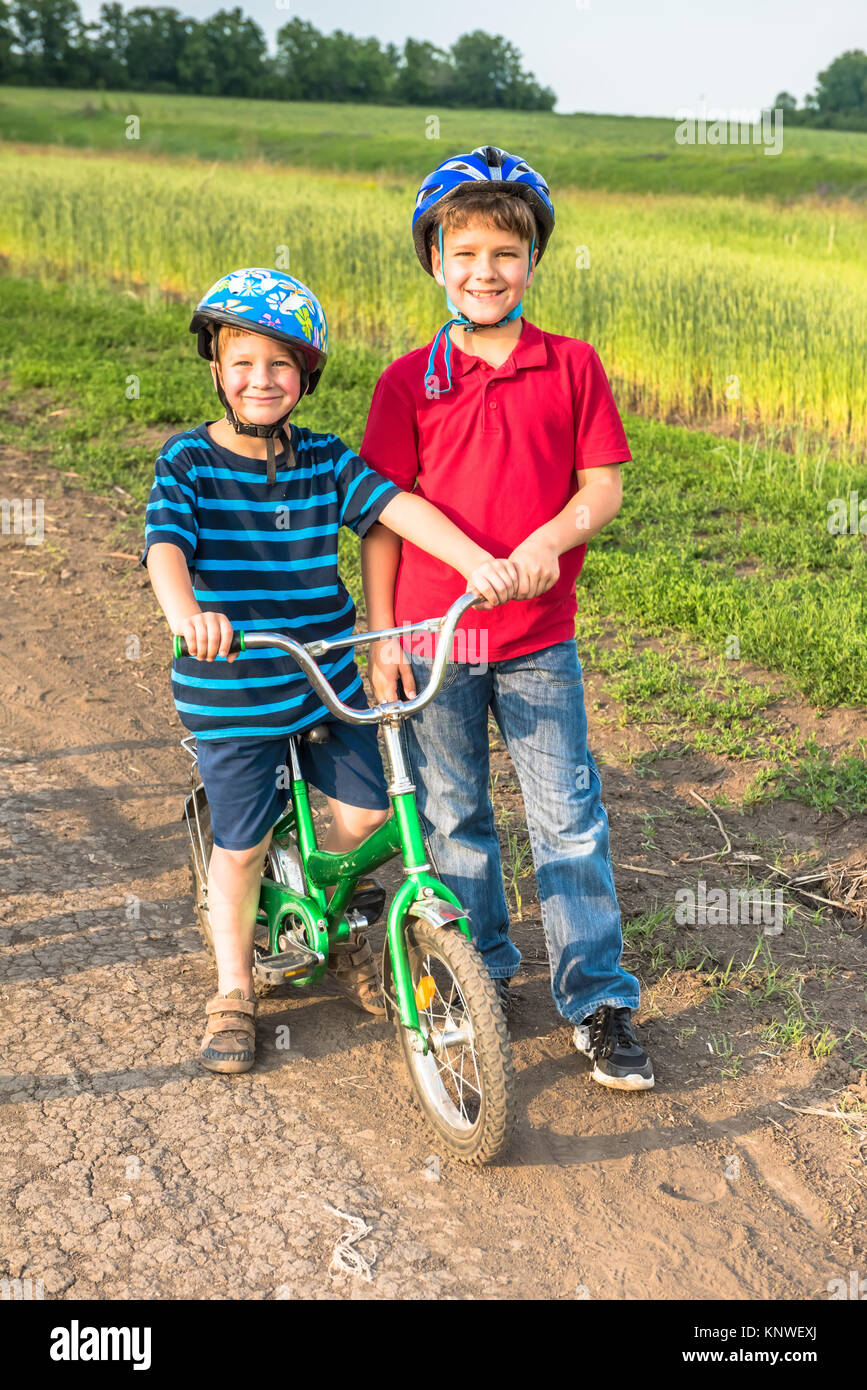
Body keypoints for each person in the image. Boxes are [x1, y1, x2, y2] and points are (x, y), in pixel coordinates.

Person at [140, 266, 519, 1075]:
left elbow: (395, 508)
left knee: (366, 816)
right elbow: (165, 551)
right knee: (239, 849)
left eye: (280, 366)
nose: (260, 381)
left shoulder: (320, 460)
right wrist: (186, 617)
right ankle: (235, 987)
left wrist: (475, 560)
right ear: (215, 366)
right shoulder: (189, 465)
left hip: (324, 676)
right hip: (236, 682)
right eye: (242, 362)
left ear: (304, 377)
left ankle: (334, 910)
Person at [360, 148, 654, 1090]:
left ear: (530, 262)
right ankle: (477, 973)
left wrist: (544, 542)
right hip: (430, 636)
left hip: (537, 640)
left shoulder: (569, 365)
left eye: (504, 253)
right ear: (435, 262)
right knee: (454, 815)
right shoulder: (408, 381)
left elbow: (599, 490)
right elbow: (380, 519)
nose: (484, 271)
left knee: (567, 817)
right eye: (465, 252)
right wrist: (379, 641)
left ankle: (598, 999)